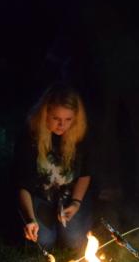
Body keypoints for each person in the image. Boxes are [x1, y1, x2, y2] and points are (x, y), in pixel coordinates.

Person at [15, 83, 92, 251]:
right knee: (43, 242)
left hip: (69, 195)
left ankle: (65, 227)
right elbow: (23, 184)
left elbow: (85, 173)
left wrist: (76, 203)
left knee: (76, 242)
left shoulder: (80, 135)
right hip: (41, 195)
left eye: (68, 120)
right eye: (56, 118)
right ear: (45, 113)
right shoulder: (30, 136)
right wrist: (30, 219)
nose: (62, 125)